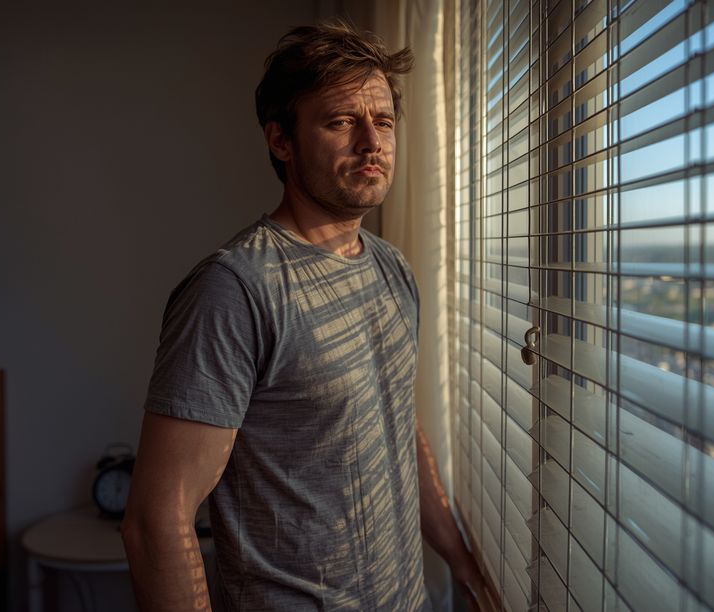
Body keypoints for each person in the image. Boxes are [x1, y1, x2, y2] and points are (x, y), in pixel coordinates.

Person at [121, 21, 495, 612]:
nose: (373, 142)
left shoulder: (392, 269)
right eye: (343, 121)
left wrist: (461, 559)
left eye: (385, 122)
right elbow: (154, 522)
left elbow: (393, 423)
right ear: (281, 141)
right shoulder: (236, 287)